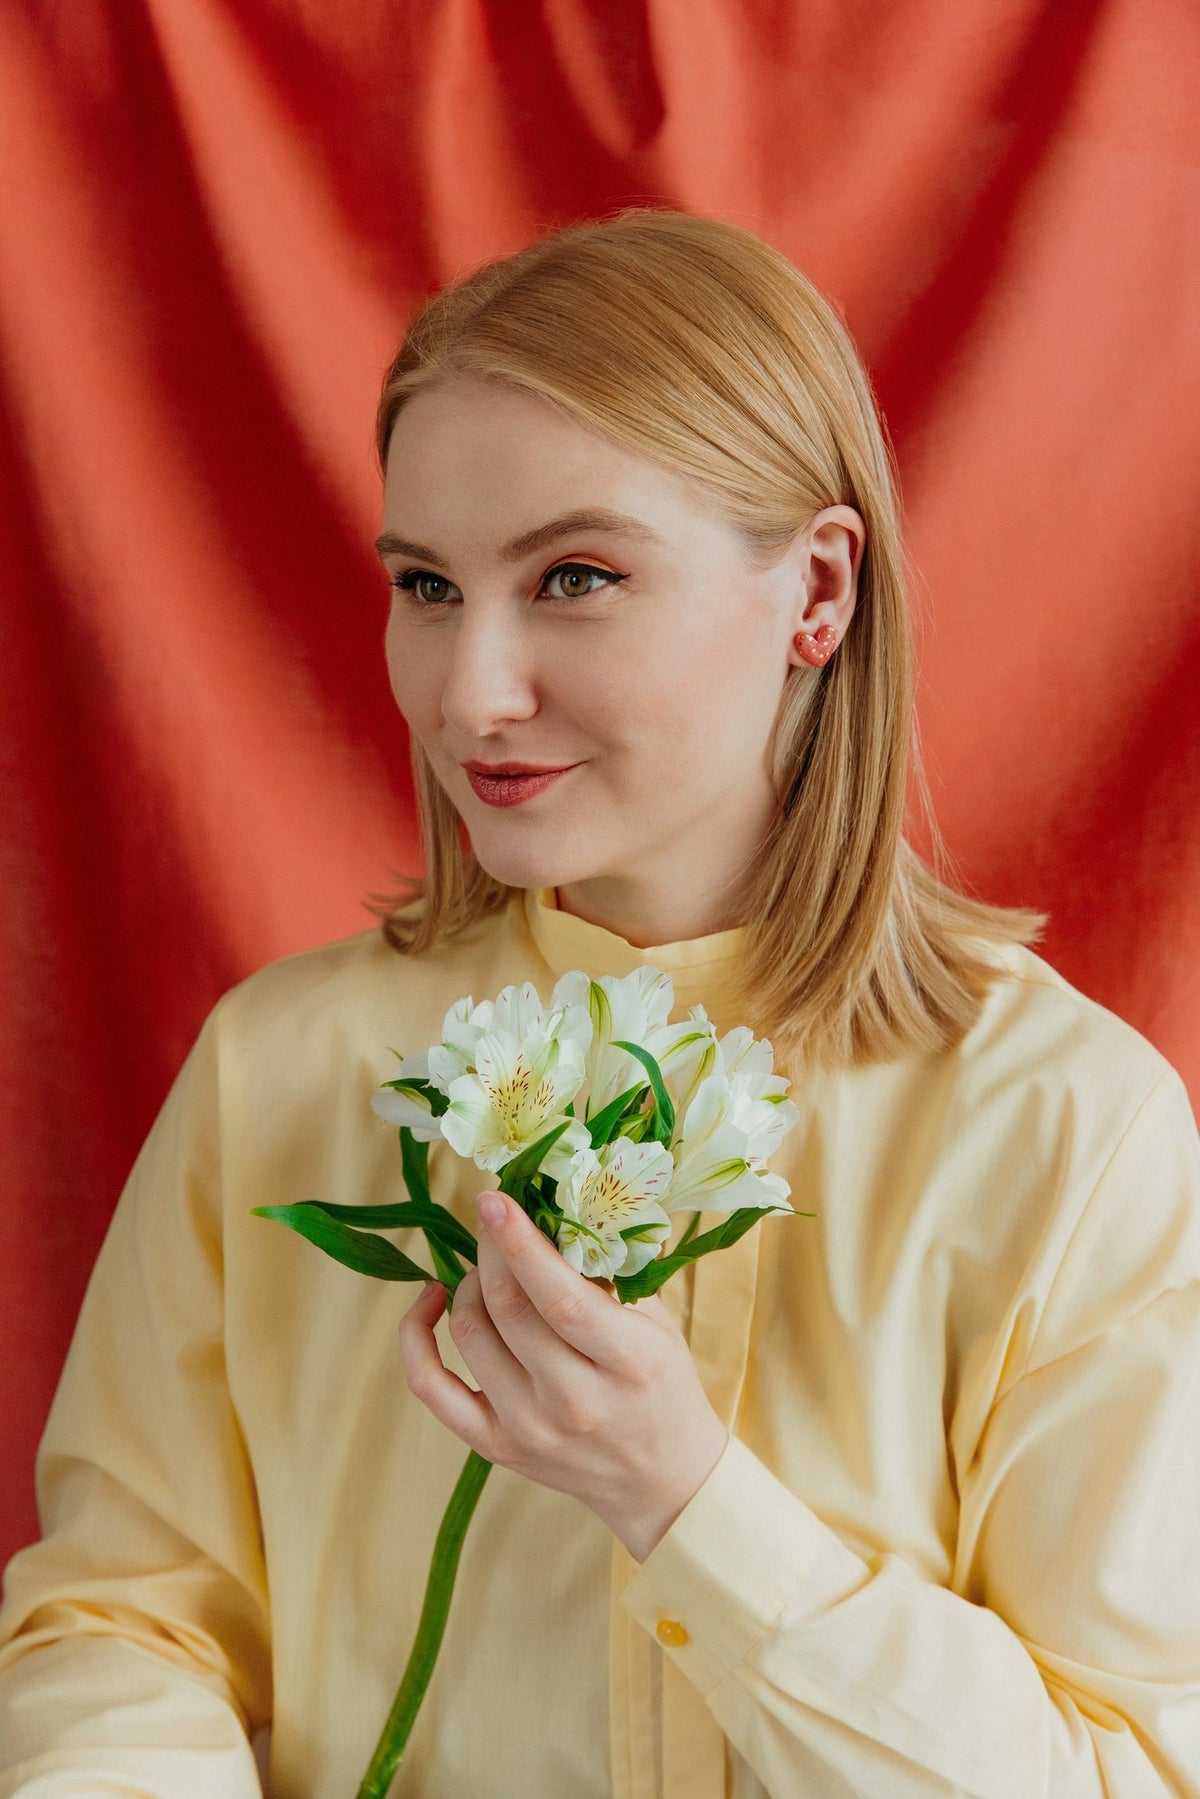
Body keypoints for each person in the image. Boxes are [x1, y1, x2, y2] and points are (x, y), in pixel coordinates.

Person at [1, 206, 1197, 1799]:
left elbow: (1130, 1769)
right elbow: (121, 1625)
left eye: (574, 577)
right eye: (428, 585)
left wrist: (688, 1501)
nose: (470, 691)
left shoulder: (1065, 1130)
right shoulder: (276, 1071)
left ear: (817, 592)